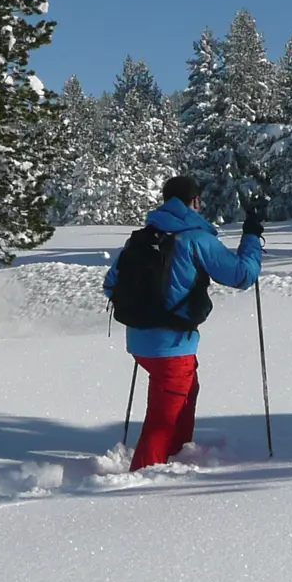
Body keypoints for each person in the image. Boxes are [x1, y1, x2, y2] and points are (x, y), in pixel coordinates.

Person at [104, 176, 263, 471]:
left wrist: (145, 305)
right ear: (196, 201)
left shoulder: (141, 238)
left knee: (187, 388)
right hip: (172, 345)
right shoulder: (196, 239)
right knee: (162, 420)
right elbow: (242, 275)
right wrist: (252, 237)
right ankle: (143, 476)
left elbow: (110, 285)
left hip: (139, 341)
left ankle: (178, 454)